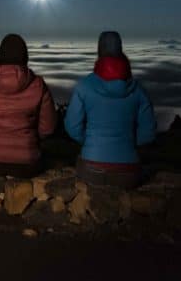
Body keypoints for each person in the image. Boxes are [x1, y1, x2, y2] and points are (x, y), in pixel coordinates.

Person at [64, 31, 156, 189]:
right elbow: (148, 133)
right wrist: (128, 145)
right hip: (129, 173)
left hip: (91, 169)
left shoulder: (84, 86)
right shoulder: (138, 90)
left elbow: (72, 127)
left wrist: (91, 143)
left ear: (99, 51)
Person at [0, 34, 57, 178]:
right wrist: (32, 138)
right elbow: (48, 128)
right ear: (25, 56)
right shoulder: (38, 84)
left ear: (0, 56)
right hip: (29, 164)